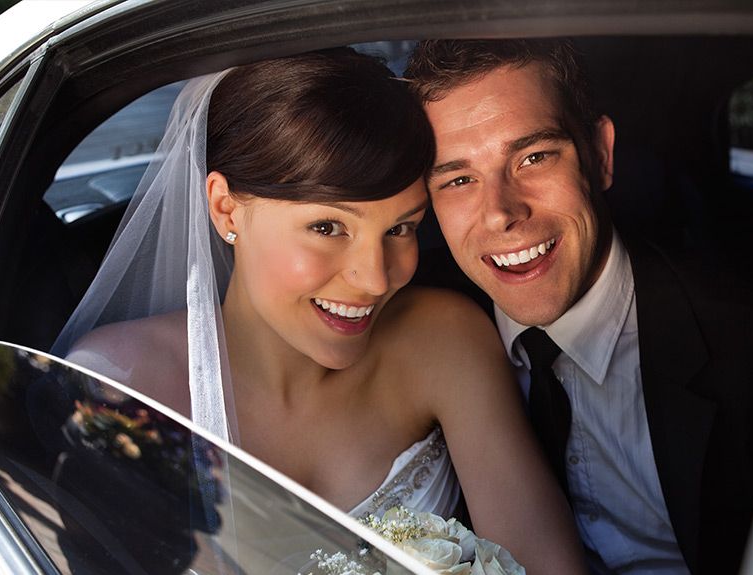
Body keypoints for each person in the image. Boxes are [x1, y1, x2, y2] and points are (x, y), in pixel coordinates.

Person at [54, 49, 586, 573]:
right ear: (225, 208)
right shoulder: (115, 387)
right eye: (328, 228)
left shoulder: (443, 340)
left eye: (400, 229)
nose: (376, 278)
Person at [406, 39, 753, 575]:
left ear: (600, 155)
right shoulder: (415, 328)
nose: (500, 213)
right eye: (458, 180)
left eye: (534, 157)